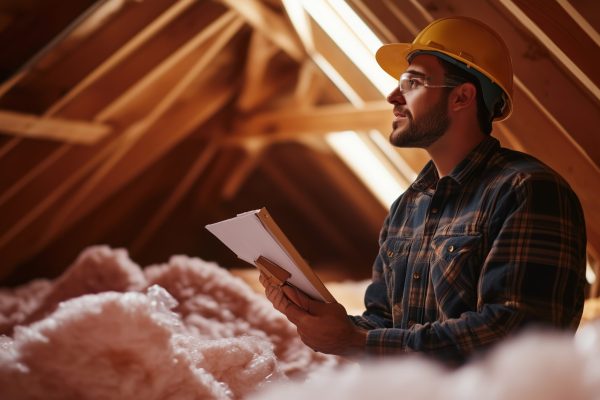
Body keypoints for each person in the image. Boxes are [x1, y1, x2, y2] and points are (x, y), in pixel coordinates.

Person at [259, 16, 587, 365]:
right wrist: (324, 320)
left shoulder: (527, 190)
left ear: (461, 97)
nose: (392, 96)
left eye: (412, 83)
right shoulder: (407, 206)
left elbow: (516, 336)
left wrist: (355, 341)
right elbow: (386, 324)